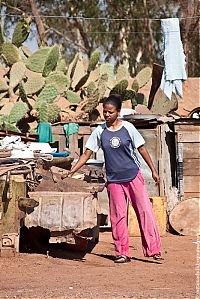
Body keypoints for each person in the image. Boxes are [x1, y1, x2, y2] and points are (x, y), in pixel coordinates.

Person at [66, 94, 162, 263]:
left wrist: (153, 170)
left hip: (133, 176)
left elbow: (142, 150)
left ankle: (153, 249)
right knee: (118, 216)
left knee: (144, 212)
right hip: (114, 180)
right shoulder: (100, 131)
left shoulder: (128, 128)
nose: (107, 115)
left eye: (110, 112)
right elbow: (87, 153)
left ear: (118, 112)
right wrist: (72, 170)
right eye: (105, 112)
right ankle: (122, 252)